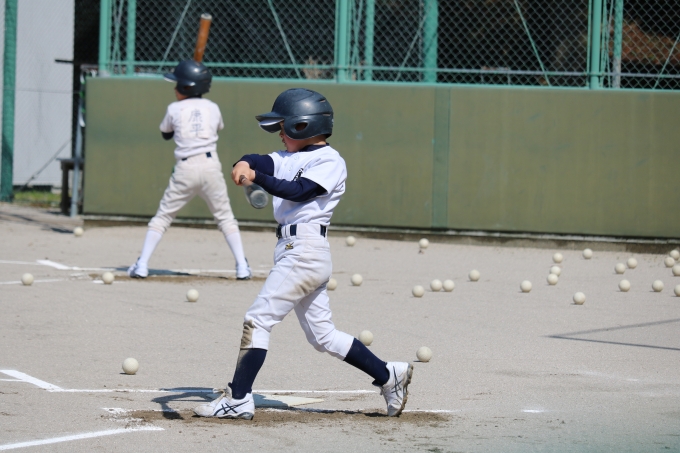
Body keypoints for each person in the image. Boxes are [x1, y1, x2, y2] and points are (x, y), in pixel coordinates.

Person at [193, 88, 412, 420]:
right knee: (323, 336)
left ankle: (238, 399)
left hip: (305, 251)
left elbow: (299, 191)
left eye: (284, 127)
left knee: (258, 319)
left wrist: (258, 177)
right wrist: (244, 164)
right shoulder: (287, 158)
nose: (280, 134)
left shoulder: (329, 160)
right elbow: (258, 160)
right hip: (294, 251)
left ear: (302, 125)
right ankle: (388, 375)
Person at [127, 60, 251, 280]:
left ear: (187, 87)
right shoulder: (213, 107)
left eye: (178, 84)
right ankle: (242, 266)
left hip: (185, 169)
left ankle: (142, 265)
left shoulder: (174, 108)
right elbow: (218, 127)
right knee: (225, 218)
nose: (174, 88)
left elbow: (166, 133)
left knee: (163, 217)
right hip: (211, 167)